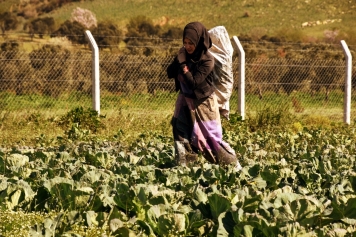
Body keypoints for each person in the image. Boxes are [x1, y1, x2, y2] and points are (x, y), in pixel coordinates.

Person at [167, 21, 242, 170]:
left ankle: (233, 167)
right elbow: (170, 72)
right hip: (185, 102)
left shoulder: (207, 60)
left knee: (210, 141)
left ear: (199, 41)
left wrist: (182, 65)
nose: (187, 46)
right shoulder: (184, 55)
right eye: (185, 42)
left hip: (204, 104)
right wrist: (179, 61)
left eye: (191, 43)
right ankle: (186, 168)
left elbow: (194, 83)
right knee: (180, 131)